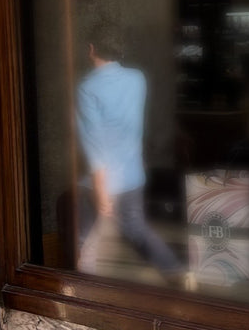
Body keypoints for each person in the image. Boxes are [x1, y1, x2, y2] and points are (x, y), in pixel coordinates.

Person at [75, 24, 184, 281]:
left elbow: (95, 143)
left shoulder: (87, 88)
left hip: (102, 178)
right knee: (136, 227)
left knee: (84, 237)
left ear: (91, 49)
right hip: (132, 173)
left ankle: (84, 289)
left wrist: (102, 188)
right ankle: (173, 270)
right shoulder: (137, 79)